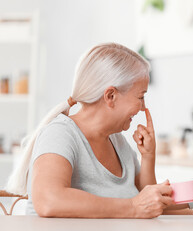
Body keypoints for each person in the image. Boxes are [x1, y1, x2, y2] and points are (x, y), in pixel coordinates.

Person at [5, 42, 174, 218]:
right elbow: (48, 200)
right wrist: (133, 207)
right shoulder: (60, 134)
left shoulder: (117, 141)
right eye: (140, 97)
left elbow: (145, 200)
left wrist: (148, 157)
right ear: (110, 96)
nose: (142, 107)